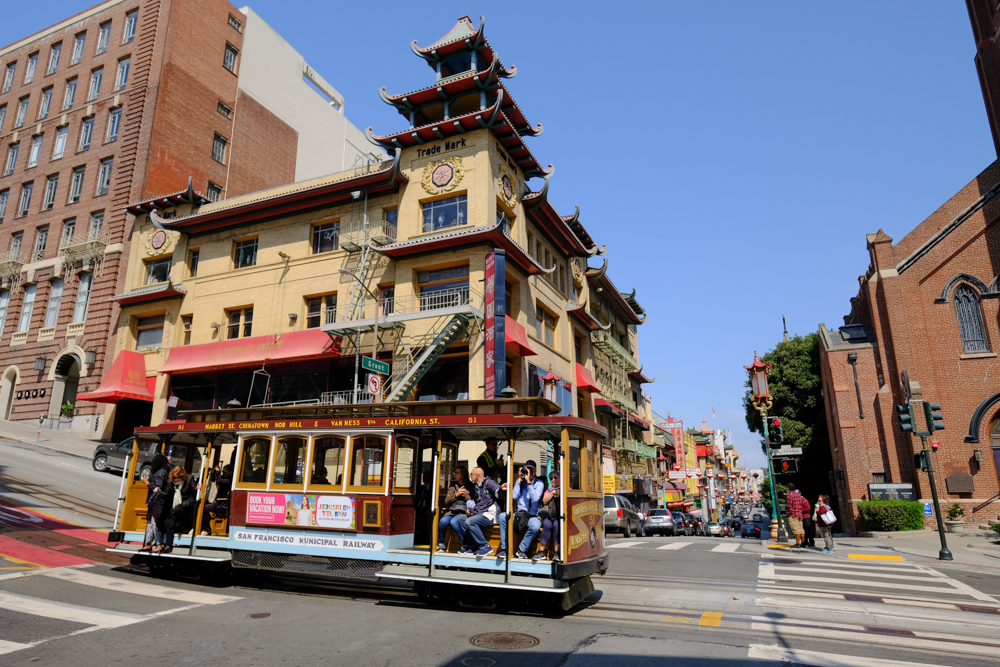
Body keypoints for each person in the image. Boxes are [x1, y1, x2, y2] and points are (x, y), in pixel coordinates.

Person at [497, 459, 544, 559]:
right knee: (502, 516)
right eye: (527, 469)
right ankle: (505, 549)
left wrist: (529, 482)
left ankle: (522, 550)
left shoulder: (539, 483)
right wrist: (519, 479)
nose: (529, 472)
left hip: (532, 515)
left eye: (531, 469)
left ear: (535, 470)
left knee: (535, 526)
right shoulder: (520, 482)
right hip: (519, 514)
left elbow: (535, 498)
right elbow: (514, 496)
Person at [461, 467, 505, 556]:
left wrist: (501, 489)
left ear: (477, 476)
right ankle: (474, 546)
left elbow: (498, 492)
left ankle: (485, 546)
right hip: (481, 513)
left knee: (469, 521)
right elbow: (480, 504)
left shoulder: (489, 483)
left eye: (471, 474)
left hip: (490, 515)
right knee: (461, 519)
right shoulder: (477, 486)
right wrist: (471, 510)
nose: (470, 476)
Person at [162, 466, 198, 553]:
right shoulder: (170, 482)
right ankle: (168, 546)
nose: (177, 479)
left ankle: (184, 527)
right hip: (175, 504)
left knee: (178, 509)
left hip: (188, 503)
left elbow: (194, 493)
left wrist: (197, 488)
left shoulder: (189, 478)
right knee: (169, 522)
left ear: (183, 476)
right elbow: (168, 493)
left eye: (179, 477)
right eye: (175, 478)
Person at [437, 466, 473, 552]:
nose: (454, 475)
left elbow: (473, 500)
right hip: (452, 511)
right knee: (442, 522)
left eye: (457, 473)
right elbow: (446, 501)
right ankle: (441, 544)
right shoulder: (453, 486)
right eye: (454, 473)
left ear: (463, 475)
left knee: (454, 522)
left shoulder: (471, 486)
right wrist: (456, 494)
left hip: (464, 512)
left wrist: (465, 496)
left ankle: (465, 544)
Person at [141, 454, 170, 552]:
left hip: (157, 501)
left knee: (155, 522)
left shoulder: (161, 472)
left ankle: (159, 544)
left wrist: (147, 483)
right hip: (154, 501)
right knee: (150, 522)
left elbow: (157, 488)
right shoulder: (163, 471)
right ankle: (148, 543)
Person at [535, 471, 561, 562]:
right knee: (546, 524)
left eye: (555, 477)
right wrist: (553, 493)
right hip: (550, 516)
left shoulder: (566, 489)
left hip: (560, 517)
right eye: (551, 478)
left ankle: (557, 553)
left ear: (560, 478)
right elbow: (544, 501)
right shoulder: (549, 491)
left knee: (557, 526)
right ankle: (541, 552)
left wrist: (560, 492)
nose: (553, 479)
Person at [200, 463, 232, 535]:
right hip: (217, 502)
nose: (223, 474)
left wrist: (217, 472)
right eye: (222, 472)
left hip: (222, 504)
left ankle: (207, 529)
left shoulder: (229, 480)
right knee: (200, 505)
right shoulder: (223, 478)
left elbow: (219, 481)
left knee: (205, 508)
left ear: (230, 473)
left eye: (224, 472)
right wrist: (213, 473)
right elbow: (216, 479)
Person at [785, 483, 811, 549]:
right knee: (801, 529)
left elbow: (789, 506)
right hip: (800, 514)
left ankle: (797, 543)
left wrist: (789, 512)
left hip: (793, 514)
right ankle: (803, 542)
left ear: (788, 488)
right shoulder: (798, 495)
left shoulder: (789, 495)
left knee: (796, 529)